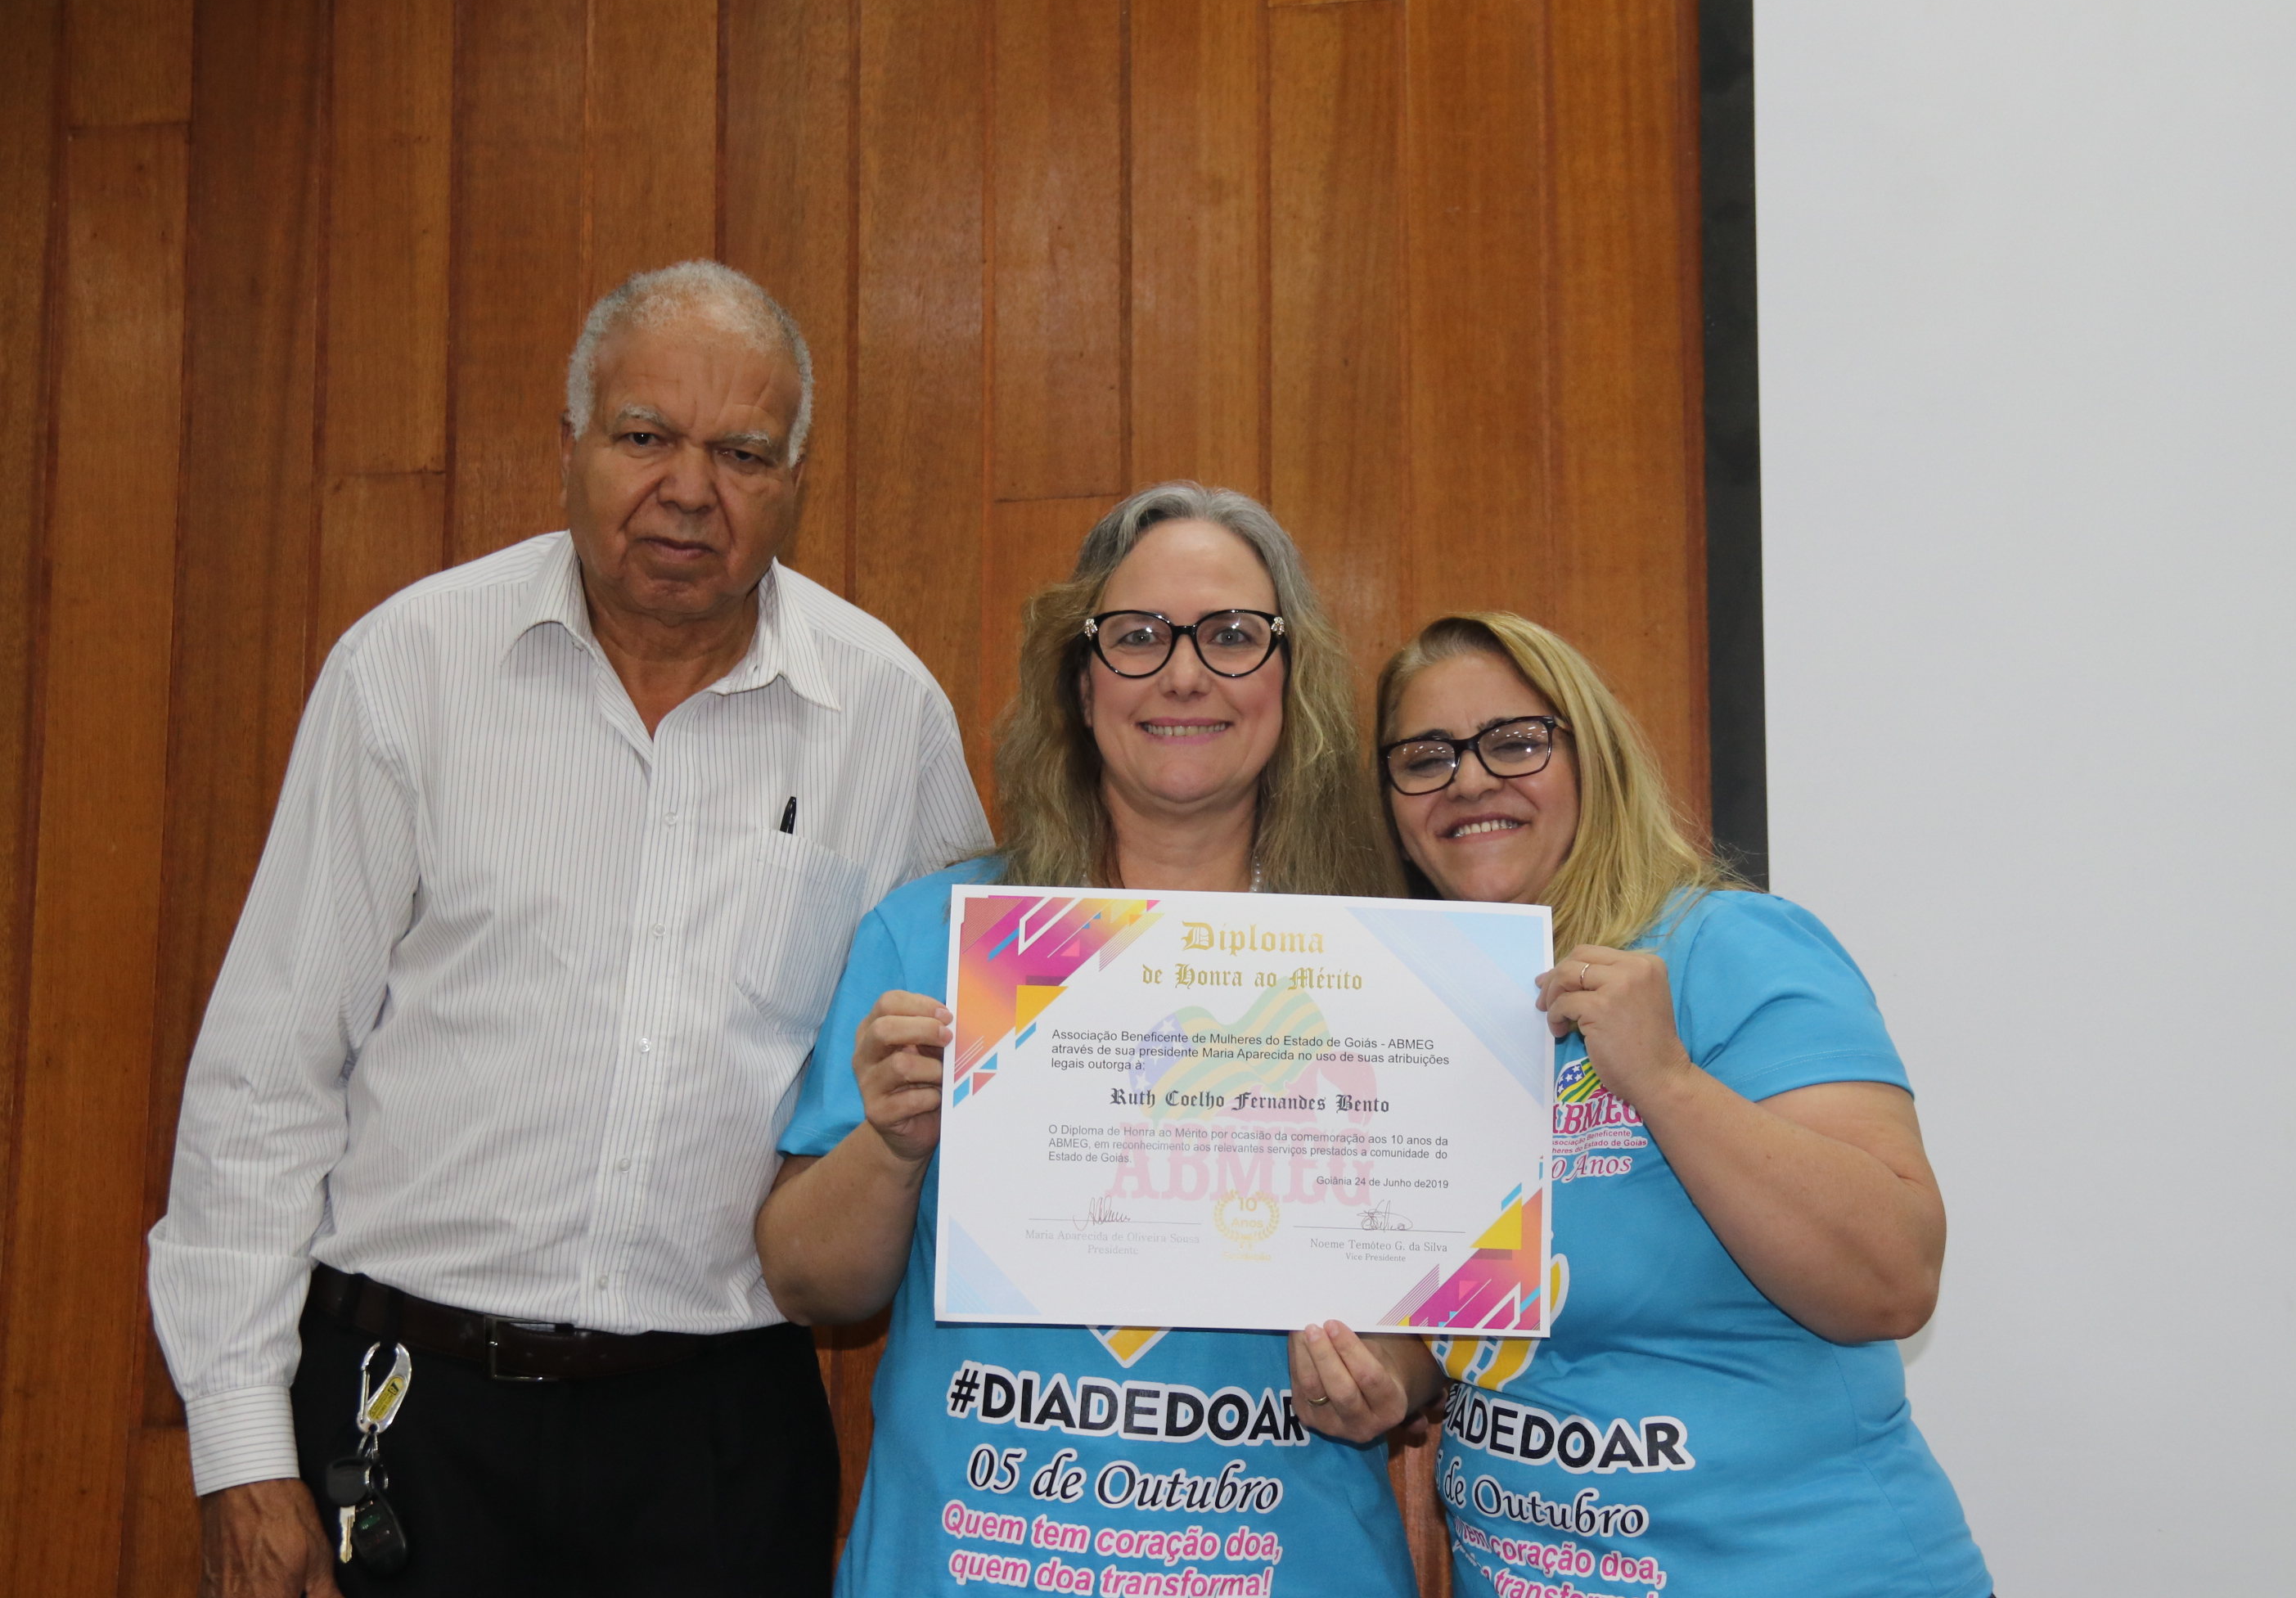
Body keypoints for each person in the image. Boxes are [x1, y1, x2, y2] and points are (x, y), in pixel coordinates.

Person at [147, 261, 989, 1598]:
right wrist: (242, 1449)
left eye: (742, 452)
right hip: (404, 1412)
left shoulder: (888, 715)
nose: (689, 489)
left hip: (717, 1437)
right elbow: (267, 1077)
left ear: (796, 479)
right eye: (645, 436)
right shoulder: (410, 667)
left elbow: (972, 1072)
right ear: (571, 444)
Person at [755, 484, 1421, 1597]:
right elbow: (808, 1280)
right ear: (1080, 679)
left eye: (1233, 634)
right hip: (976, 1559)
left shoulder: (1383, 965)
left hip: (1274, 1564)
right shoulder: (935, 938)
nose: (1184, 674)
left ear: (1289, 676)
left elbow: (1440, 1313)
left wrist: (1391, 1377)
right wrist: (894, 1144)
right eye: (1138, 635)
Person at [1288, 612, 1992, 1598]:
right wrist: (1384, 1380)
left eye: (1515, 741)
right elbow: (1475, 1329)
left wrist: (1667, 1080)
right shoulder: (1417, 1021)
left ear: (1594, 756)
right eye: (1425, 757)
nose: (1470, 780)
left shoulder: (1731, 946)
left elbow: (1894, 1280)